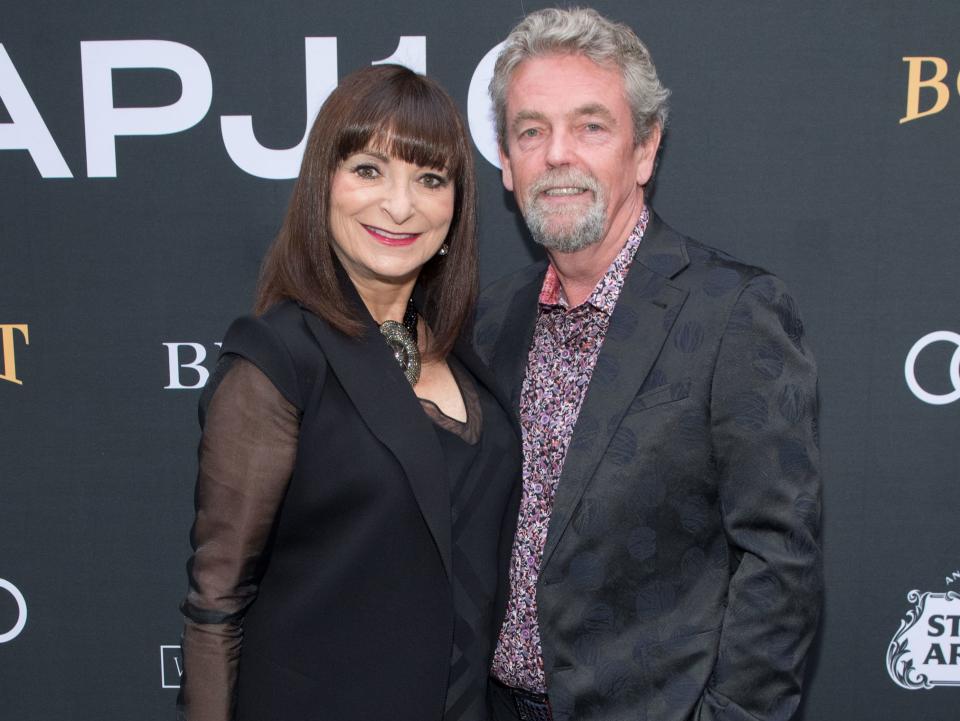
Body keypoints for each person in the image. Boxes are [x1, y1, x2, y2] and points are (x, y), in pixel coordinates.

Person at [474, 8, 822, 721]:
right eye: (531, 131)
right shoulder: (490, 318)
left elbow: (779, 560)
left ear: (645, 150)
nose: (558, 154)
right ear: (506, 164)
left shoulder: (734, 311)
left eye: (591, 126)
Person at [177, 64, 521, 721]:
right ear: (322, 184)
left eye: (430, 178)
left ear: (456, 205)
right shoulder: (278, 357)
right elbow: (216, 601)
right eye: (369, 169)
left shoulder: (466, 350)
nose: (400, 204)